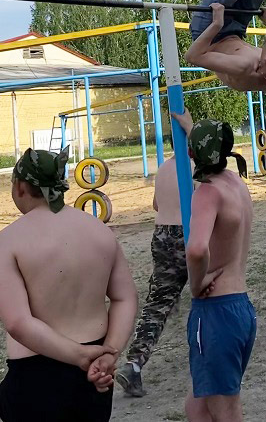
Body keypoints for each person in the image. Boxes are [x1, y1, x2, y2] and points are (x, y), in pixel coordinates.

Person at [0, 147, 138, 422]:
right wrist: (109, 352)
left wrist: (78, 355)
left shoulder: (8, 241)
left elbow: (18, 323)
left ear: (20, 187)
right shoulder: (99, 230)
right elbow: (125, 298)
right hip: (96, 369)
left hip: (36, 372)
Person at [181, 117, 256, 422]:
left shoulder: (207, 192)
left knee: (225, 411)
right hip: (239, 308)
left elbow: (197, 249)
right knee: (197, 407)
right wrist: (191, 126)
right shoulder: (236, 184)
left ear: (191, 153)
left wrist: (196, 284)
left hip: (215, 311)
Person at [115, 112, 194, 398]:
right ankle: (210, 355)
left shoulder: (164, 168)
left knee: (157, 305)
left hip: (162, 237)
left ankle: (134, 365)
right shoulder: (196, 168)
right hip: (189, 234)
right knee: (209, 296)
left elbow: (156, 205)